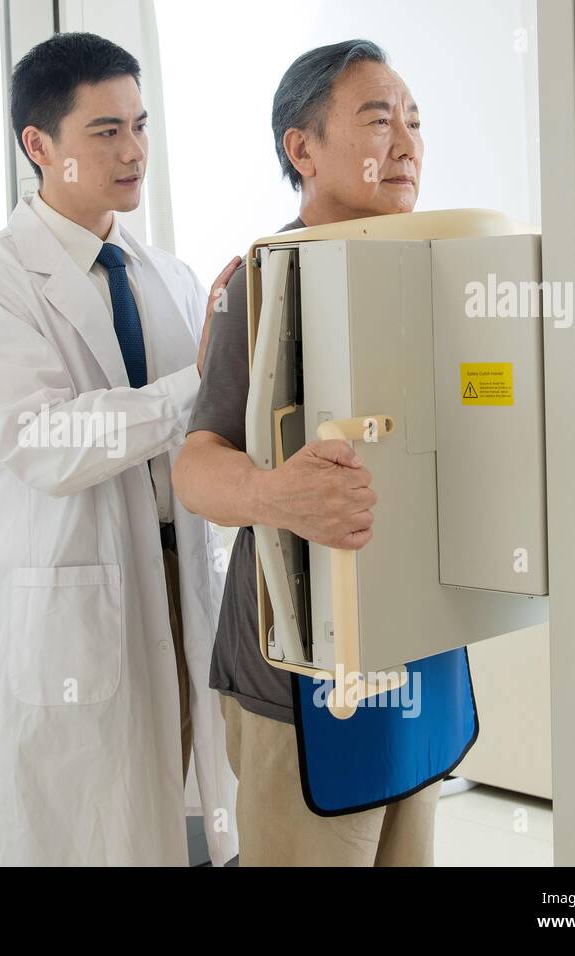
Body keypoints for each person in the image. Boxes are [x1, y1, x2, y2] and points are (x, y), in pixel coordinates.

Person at [0, 32, 239, 866]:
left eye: (140, 125)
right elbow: (47, 444)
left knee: (190, 822)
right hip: (76, 614)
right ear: (40, 146)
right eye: (106, 132)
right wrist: (201, 379)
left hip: (180, 588)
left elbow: (204, 433)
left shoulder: (165, 278)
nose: (135, 150)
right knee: (91, 831)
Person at [175, 39, 459, 866]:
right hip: (299, 681)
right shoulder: (264, 284)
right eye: (377, 121)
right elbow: (197, 464)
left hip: (415, 653)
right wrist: (277, 497)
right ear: (302, 149)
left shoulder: (433, 270)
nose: (405, 144)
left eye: (413, 121)